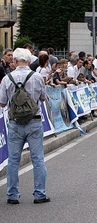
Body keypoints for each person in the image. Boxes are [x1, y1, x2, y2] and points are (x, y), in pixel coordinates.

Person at [0, 48, 50, 204]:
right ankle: (39, 194)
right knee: (38, 159)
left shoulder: (7, 79)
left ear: (14, 61)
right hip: (34, 121)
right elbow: (42, 98)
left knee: (13, 160)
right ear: (29, 61)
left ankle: (12, 195)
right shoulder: (37, 77)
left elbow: (2, 102)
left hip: (15, 123)